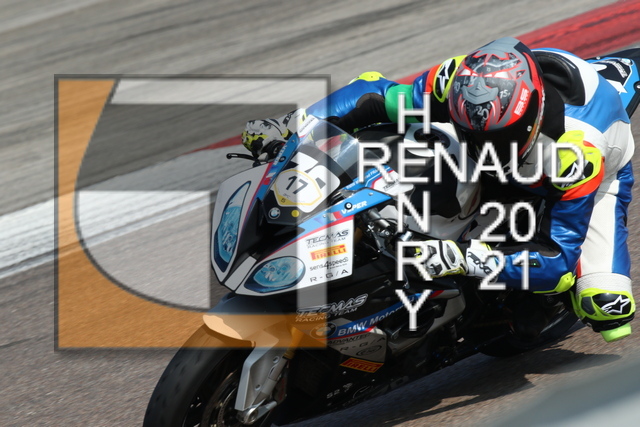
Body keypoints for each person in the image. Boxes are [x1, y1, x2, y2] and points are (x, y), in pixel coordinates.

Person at [241, 37, 635, 342]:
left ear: (530, 116)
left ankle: (523, 303)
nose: (490, 148)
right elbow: (371, 96)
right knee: (400, 138)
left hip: (595, 180)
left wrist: (464, 258)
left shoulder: (576, 156)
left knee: (607, 306)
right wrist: (294, 125)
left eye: (501, 138)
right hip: (486, 135)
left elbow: (557, 261)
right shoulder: (456, 84)